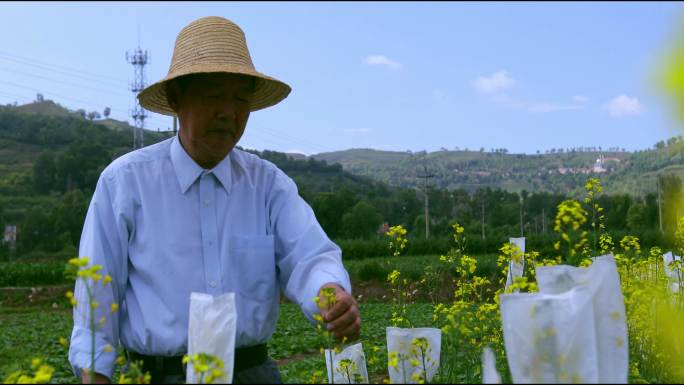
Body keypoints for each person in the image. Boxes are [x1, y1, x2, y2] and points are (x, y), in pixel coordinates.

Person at [68, 16, 360, 384]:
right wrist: (96, 374)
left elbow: (309, 256)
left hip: (252, 374)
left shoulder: (269, 185)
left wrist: (329, 291)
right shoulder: (125, 183)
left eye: (240, 99)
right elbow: (97, 291)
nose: (229, 112)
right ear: (176, 99)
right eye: (214, 96)